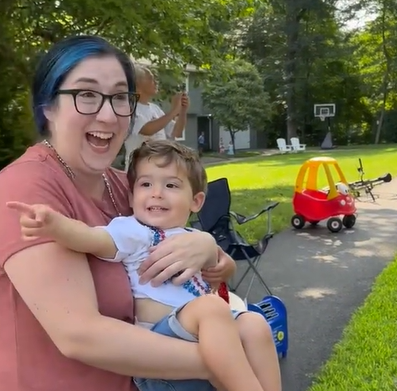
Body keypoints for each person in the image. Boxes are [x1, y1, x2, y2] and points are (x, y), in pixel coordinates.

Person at [0, 35, 245, 391]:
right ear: (47, 106)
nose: (108, 114)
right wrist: (229, 362)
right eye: (86, 95)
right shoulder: (24, 188)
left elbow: (193, 258)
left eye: (119, 97)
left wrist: (208, 249)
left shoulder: (127, 185)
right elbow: (79, 334)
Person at [9, 139, 282, 391]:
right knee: (211, 308)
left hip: (203, 330)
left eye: (171, 186)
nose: (157, 194)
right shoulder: (134, 231)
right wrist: (55, 225)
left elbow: (219, 272)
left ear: (196, 201)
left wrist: (221, 263)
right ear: (131, 197)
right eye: (146, 185)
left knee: (255, 324)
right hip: (161, 342)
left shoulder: (194, 238)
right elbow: (90, 238)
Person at [124, 64, 189, 169]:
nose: (155, 82)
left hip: (158, 168)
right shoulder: (130, 109)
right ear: (137, 87)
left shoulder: (155, 109)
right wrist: (174, 111)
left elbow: (176, 132)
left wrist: (182, 111)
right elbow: (147, 130)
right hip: (138, 169)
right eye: (150, 78)